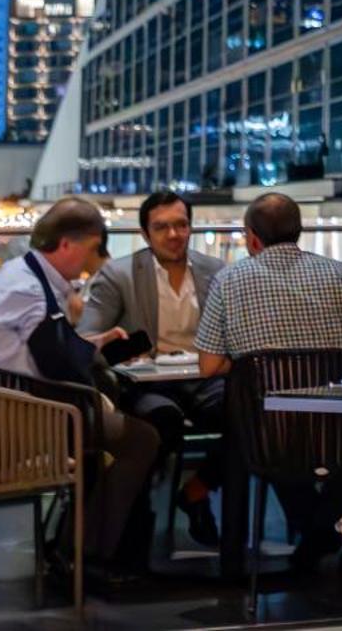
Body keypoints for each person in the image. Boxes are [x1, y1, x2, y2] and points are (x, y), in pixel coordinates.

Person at [0, 197, 161, 583]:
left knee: (112, 428)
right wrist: (97, 377)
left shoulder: (19, 273)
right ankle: (83, 553)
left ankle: (76, 544)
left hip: (5, 405)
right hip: (17, 420)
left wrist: (95, 342)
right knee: (142, 439)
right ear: (67, 244)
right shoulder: (28, 290)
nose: (92, 264)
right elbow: (58, 366)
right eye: (91, 250)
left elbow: (50, 347)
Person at [195, 192, 342, 570]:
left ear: (251, 237)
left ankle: (310, 536)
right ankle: (324, 533)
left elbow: (210, 365)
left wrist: (256, 361)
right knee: (341, 453)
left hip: (268, 436)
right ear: (298, 230)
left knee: (266, 432)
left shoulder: (228, 281)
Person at [79, 190, 227, 546]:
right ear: (145, 235)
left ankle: (197, 490)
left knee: (246, 413)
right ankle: (133, 531)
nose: (174, 235)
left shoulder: (216, 272)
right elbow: (85, 336)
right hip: (149, 384)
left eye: (181, 225)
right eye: (162, 228)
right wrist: (116, 348)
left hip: (204, 377)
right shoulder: (119, 275)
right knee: (161, 423)